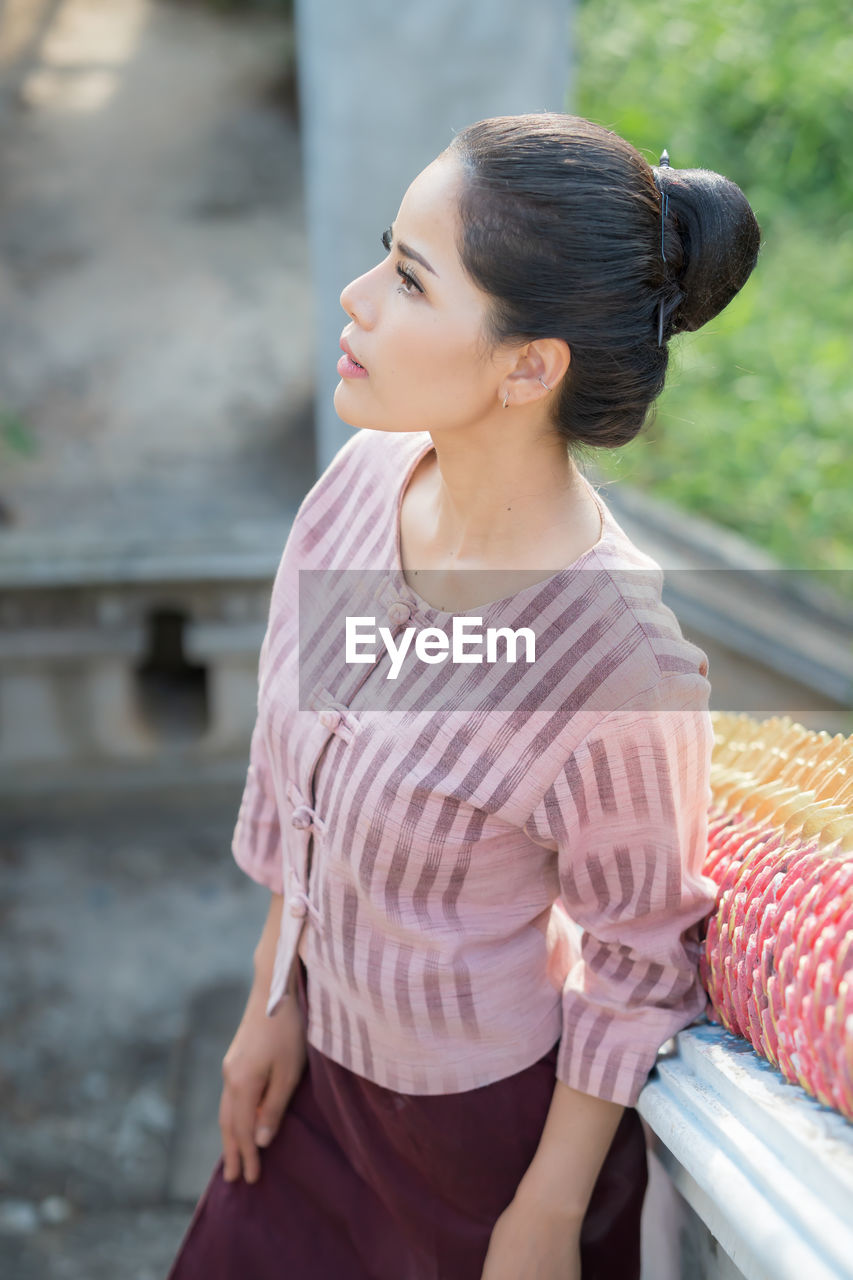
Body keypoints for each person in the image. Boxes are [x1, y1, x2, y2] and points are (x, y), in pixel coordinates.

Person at [168, 113, 760, 1280]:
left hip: (477, 1148)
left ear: (528, 365)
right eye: (384, 253)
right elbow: (305, 799)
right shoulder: (358, 487)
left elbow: (637, 955)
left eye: (406, 278)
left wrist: (544, 1213)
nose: (354, 298)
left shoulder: (617, 666)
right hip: (317, 1081)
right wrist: (269, 998)